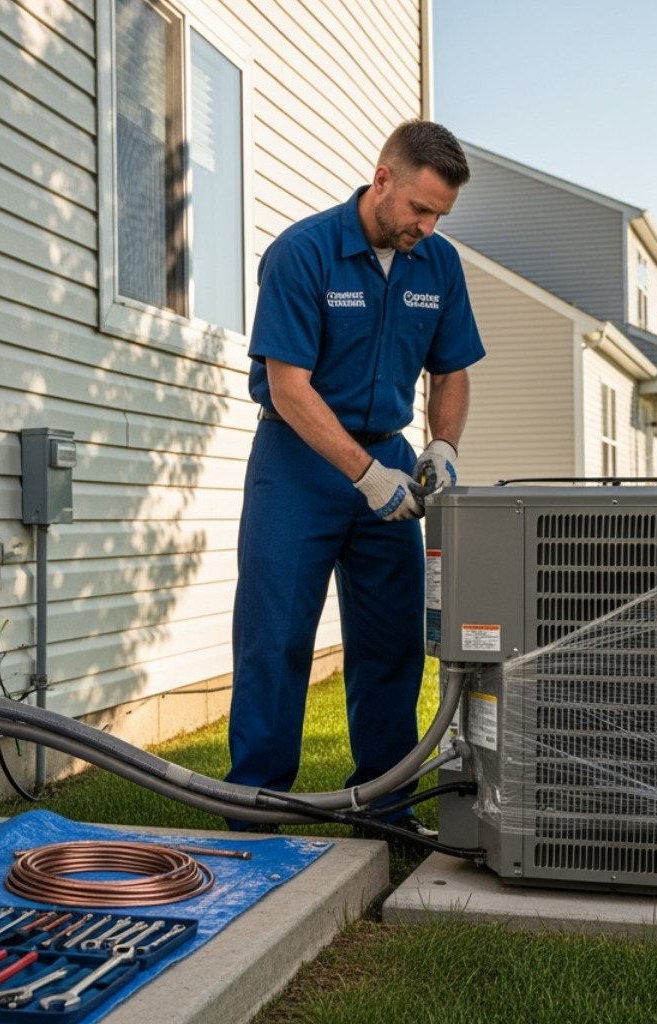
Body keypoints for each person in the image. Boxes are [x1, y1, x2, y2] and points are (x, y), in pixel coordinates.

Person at [225, 120, 484, 836]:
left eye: (440, 215)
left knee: (390, 641)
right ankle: (254, 807)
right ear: (383, 180)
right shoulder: (303, 253)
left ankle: (384, 810)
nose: (427, 227)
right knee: (276, 637)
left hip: (392, 459)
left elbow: (452, 369)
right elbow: (288, 386)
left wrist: (441, 446)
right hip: (297, 461)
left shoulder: (439, 265)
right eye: (419, 209)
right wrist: (364, 474)